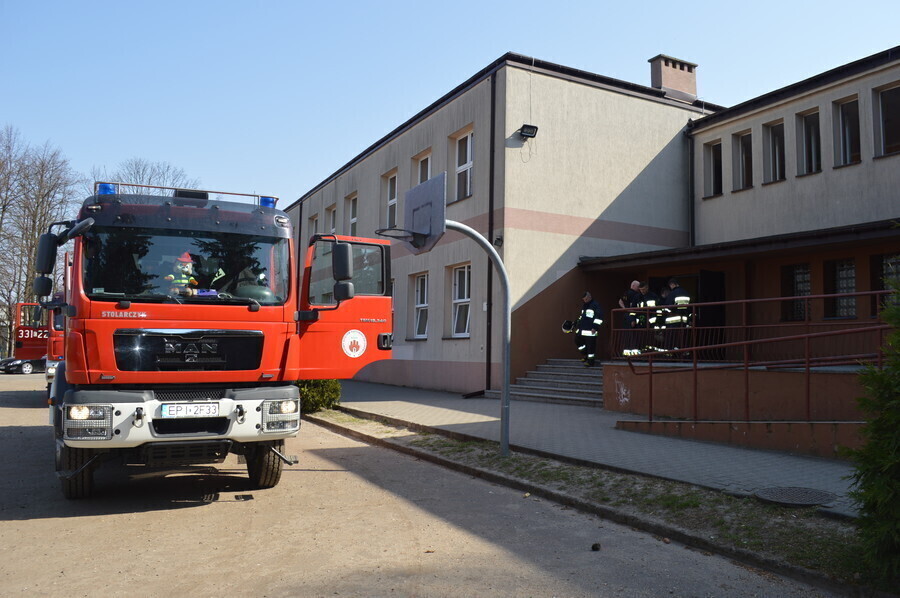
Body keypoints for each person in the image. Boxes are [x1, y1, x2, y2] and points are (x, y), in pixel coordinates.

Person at [575, 291, 604, 367]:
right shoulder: (585, 305)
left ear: (589, 297)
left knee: (591, 346)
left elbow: (599, 317)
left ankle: (590, 362)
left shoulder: (595, 305)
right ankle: (585, 355)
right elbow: (582, 317)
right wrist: (577, 323)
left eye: (586, 299)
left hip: (591, 330)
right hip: (582, 329)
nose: (585, 300)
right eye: (584, 299)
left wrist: (595, 327)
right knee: (577, 340)